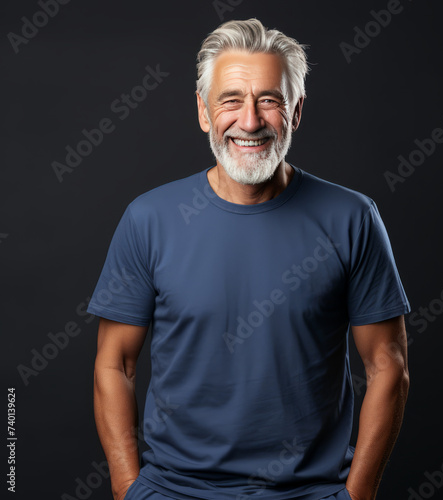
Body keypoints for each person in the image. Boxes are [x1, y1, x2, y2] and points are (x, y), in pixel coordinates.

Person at [89, 18, 410, 500]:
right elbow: (115, 364)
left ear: (296, 111)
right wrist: (126, 488)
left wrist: (357, 495)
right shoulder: (148, 219)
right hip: (173, 491)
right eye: (231, 99)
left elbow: (389, 365)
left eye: (270, 100)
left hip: (311, 493)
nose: (251, 120)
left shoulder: (353, 218)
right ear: (203, 111)